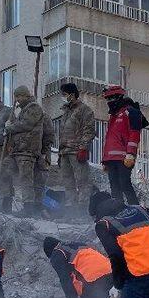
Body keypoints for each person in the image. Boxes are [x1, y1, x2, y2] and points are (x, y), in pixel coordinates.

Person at [1, 86, 44, 214]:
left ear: (26, 95)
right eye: (16, 97)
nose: (17, 99)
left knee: (26, 180)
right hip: (17, 151)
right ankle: (5, 201)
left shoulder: (34, 108)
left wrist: (10, 127)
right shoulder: (23, 110)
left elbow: (26, 124)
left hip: (27, 151)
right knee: (4, 170)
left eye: (19, 96)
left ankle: (28, 208)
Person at [57, 83, 97, 217]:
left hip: (76, 151)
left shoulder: (84, 110)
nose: (62, 97)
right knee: (68, 182)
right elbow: (62, 133)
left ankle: (82, 211)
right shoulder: (66, 112)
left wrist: (83, 148)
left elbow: (89, 130)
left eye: (64, 94)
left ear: (72, 95)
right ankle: (70, 210)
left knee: (82, 181)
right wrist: (59, 153)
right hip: (64, 153)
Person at [102, 86, 146, 206]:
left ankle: (136, 210)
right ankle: (118, 211)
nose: (109, 101)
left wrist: (131, 154)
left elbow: (134, 134)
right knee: (114, 187)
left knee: (125, 184)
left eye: (111, 98)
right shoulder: (113, 116)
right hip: (111, 159)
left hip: (124, 158)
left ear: (119, 97)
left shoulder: (131, 112)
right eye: (107, 99)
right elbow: (110, 139)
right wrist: (105, 160)